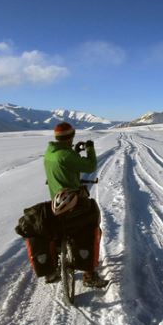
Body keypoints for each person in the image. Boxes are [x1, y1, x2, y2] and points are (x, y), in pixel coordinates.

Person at [43, 122, 106, 288]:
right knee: (92, 225)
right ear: (70, 137)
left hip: (54, 202)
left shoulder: (50, 152)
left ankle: (54, 266)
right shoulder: (66, 155)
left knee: (56, 231)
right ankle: (89, 274)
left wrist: (75, 152)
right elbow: (90, 166)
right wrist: (90, 149)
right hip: (72, 203)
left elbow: (65, 164)